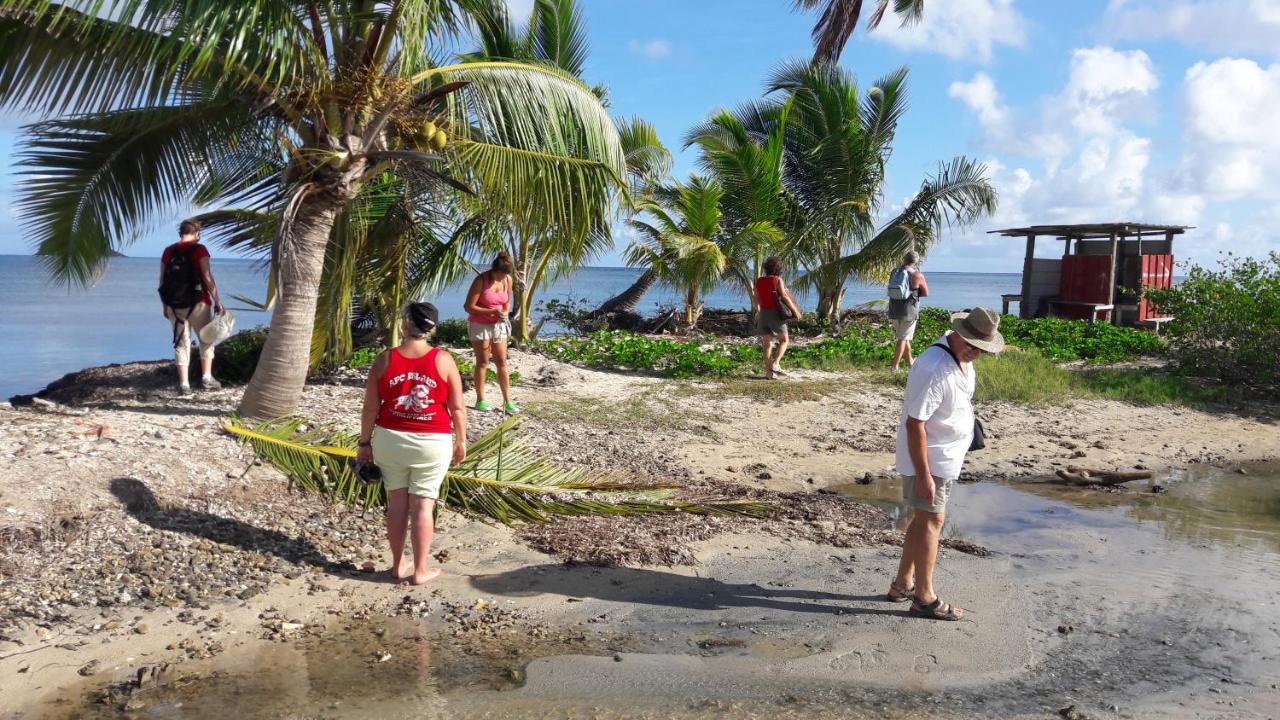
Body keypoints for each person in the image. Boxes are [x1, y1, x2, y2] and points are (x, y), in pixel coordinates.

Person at [887, 307, 1004, 621]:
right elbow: (915, 424)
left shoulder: (962, 361)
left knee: (921, 519)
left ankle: (902, 584)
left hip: (946, 456)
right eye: (974, 347)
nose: (977, 354)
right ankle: (924, 597)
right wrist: (924, 474)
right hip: (930, 459)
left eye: (982, 349)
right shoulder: (933, 367)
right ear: (960, 337)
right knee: (933, 521)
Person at [357, 302, 467, 585]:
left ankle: (397, 565)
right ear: (433, 329)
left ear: (405, 325)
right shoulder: (443, 360)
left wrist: (364, 442)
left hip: (390, 439)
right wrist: (461, 440)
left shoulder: (385, 359)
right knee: (422, 506)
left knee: (397, 504)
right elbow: (457, 407)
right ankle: (420, 570)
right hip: (433, 440)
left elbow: (370, 408)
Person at [158, 219, 224, 396]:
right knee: (206, 339)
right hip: (199, 303)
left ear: (181, 232)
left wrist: (165, 305)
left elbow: (162, 281)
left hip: (174, 305)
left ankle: (184, 385)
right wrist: (217, 300)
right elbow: (207, 276)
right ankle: (206, 377)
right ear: (197, 233)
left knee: (181, 343)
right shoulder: (199, 250)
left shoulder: (168, 251)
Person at [464, 252, 518, 413]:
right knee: (483, 361)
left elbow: (506, 302)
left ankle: (508, 401)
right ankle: (480, 399)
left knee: (501, 361)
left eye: (505, 274)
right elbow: (468, 306)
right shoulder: (481, 280)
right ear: (495, 270)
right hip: (480, 324)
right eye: (500, 274)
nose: (502, 278)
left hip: (498, 324)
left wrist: (503, 313)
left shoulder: (508, 280)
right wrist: (491, 312)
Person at [756, 256, 803, 380]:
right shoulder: (777, 280)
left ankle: (769, 373)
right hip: (774, 314)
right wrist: (794, 311)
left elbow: (757, 298)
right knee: (784, 340)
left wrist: (758, 311)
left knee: (767, 344)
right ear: (778, 269)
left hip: (763, 314)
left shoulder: (759, 281)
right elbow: (784, 297)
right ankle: (776, 364)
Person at [887, 251, 929, 372]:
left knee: (904, 337)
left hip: (894, 308)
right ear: (916, 261)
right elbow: (926, 293)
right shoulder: (917, 275)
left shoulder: (894, 272)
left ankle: (911, 362)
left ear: (904, 259)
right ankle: (894, 367)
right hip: (909, 310)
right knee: (903, 339)